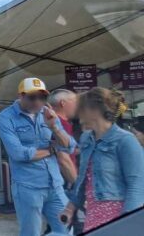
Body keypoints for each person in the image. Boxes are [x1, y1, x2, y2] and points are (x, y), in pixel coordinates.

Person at [0, 77, 76, 236]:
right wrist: (51, 150)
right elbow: (18, 153)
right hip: (28, 187)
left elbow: (69, 146)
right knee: (30, 233)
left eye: (42, 97)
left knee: (66, 230)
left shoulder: (47, 114)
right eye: (32, 97)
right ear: (21, 96)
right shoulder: (6, 117)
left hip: (55, 185)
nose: (38, 102)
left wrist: (54, 127)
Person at [60, 87, 144, 232]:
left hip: (118, 214)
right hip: (93, 214)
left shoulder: (125, 140)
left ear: (93, 111)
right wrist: (70, 207)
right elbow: (83, 178)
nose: (77, 113)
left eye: (81, 109)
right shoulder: (87, 138)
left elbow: (137, 185)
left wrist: (127, 223)